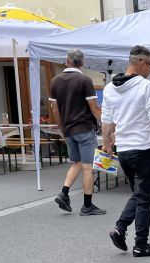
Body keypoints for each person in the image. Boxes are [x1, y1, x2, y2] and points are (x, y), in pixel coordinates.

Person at [103, 45, 150, 257]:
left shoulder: (110, 88)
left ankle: (120, 229)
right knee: (145, 199)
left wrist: (107, 145)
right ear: (141, 63)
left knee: (138, 194)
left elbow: (106, 122)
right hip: (143, 148)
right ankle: (141, 244)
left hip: (124, 151)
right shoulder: (145, 87)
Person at [49, 48, 105, 216]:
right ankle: (87, 206)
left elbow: (54, 108)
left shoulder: (55, 81)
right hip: (84, 128)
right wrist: (105, 124)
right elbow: (94, 107)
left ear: (66, 61)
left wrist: (62, 128)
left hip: (68, 129)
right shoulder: (84, 80)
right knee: (88, 168)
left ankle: (64, 193)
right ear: (82, 63)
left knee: (77, 162)